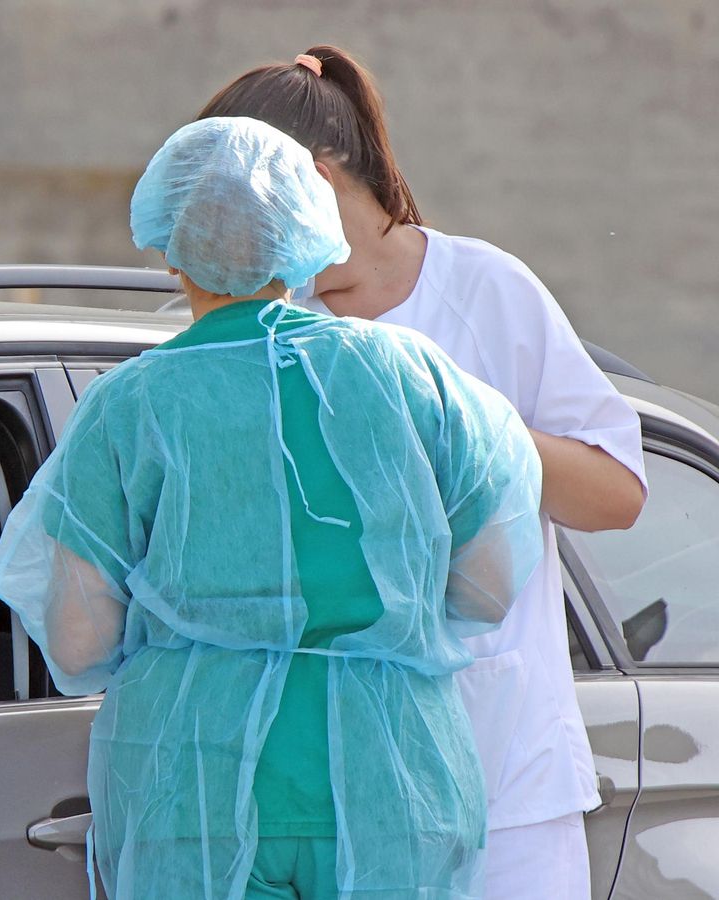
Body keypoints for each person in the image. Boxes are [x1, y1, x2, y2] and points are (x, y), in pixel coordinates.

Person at [0, 117, 545, 899]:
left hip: (195, 791)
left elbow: (79, 643)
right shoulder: (411, 375)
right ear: (305, 232)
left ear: (171, 246)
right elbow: (489, 586)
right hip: (393, 784)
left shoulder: (131, 404)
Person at [195, 46, 647, 899]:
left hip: (503, 786)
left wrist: (466, 425)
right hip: (322, 804)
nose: (244, 240)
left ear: (319, 178)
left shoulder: (486, 290)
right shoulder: (265, 320)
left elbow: (615, 494)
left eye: (253, 209)